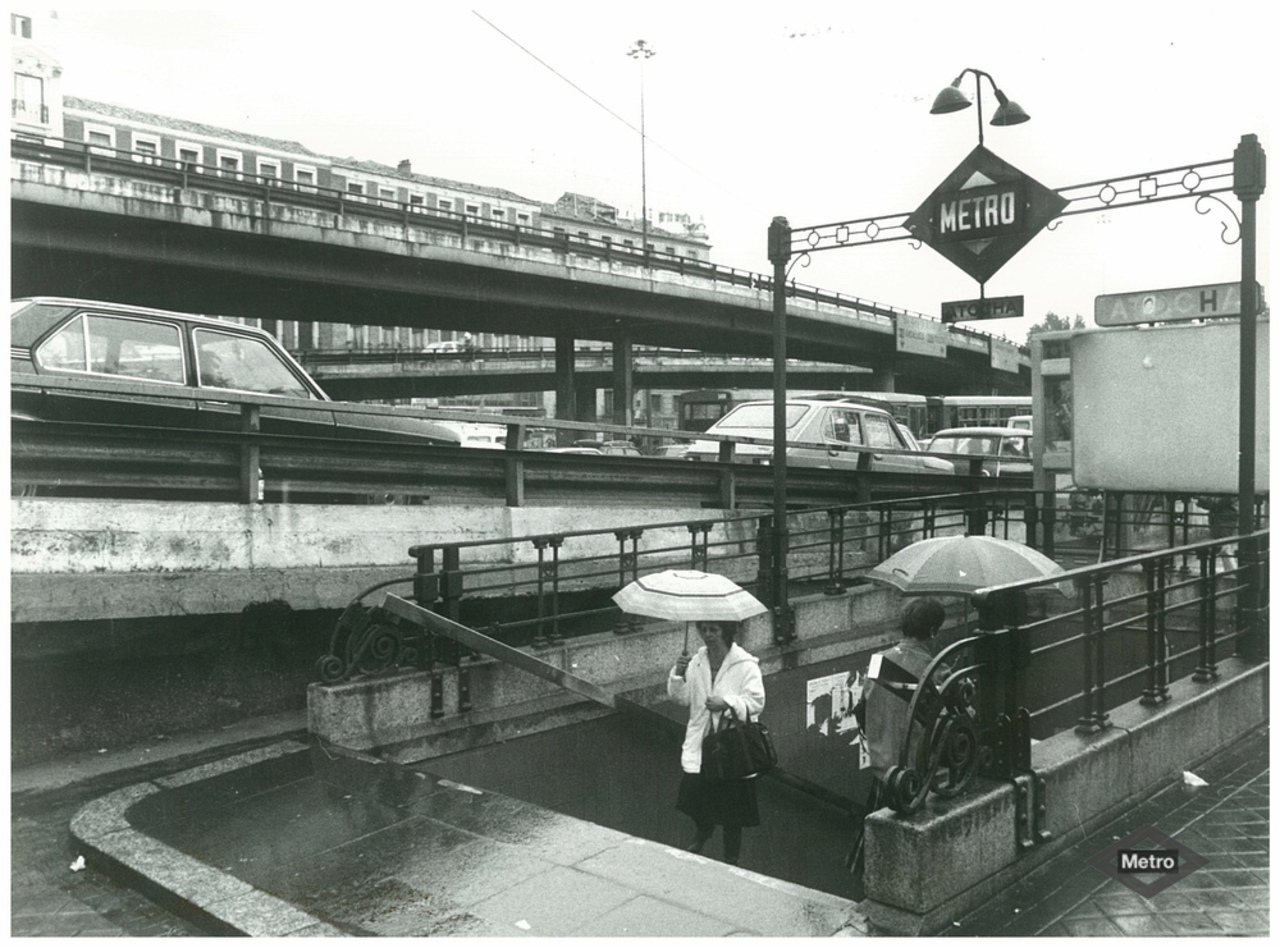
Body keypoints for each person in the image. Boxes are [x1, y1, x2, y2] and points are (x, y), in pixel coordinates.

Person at [847, 597, 947, 890]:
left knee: (872, 850)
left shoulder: (879, 662)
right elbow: (943, 724)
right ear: (932, 631)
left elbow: (863, 709)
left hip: (881, 770)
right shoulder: (934, 670)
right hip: (913, 775)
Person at [667, 619, 765, 866]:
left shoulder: (745, 665)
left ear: (726, 631)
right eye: (704, 629)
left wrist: (728, 703)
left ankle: (731, 857)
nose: (707, 635)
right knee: (693, 795)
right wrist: (678, 674)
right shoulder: (697, 661)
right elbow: (681, 698)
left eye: (714, 629)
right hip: (703, 742)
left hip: (731, 746)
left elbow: (756, 703)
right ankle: (704, 828)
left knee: (733, 807)